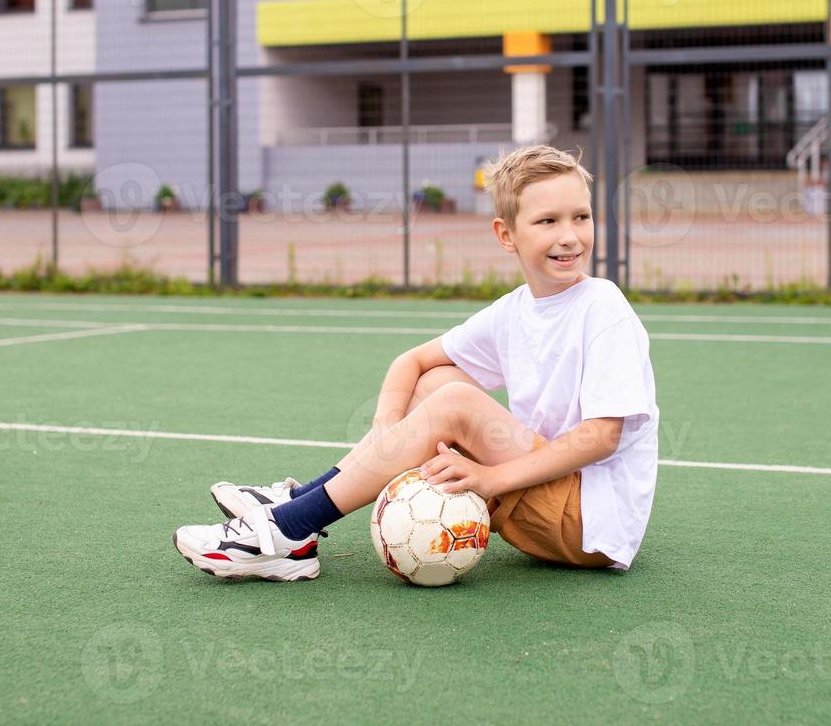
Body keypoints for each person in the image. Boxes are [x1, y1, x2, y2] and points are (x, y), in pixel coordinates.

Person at [174, 145, 659, 581]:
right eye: (548, 221)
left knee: (455, 402)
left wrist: (491, 480)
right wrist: (388, 430)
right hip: (546, 495)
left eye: (581, 217)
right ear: (506, 235)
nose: (570, 236)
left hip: (590, 522)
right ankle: (299, 500)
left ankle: (285, 531)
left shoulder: (603, 306)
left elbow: (602, 435)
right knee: (436, 382)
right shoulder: (515, 309)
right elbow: (412, 361)